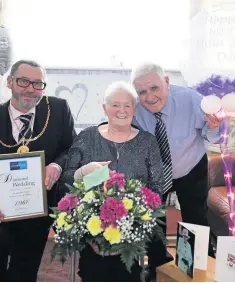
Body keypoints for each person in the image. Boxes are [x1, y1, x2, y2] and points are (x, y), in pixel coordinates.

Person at [0, 59, 76, 282]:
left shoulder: (58, 109)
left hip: (36, 208)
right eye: (23, 81)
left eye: (38, 84)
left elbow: (72, 148)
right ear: (9, 82)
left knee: (25, 270)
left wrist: (56, 165)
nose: (30, 89)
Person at [61, 81, 172, 282]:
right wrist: (87, 172)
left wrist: (133, 216)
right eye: (115, 105)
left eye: (127, 105)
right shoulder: (87, 137)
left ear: (134, 109)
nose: (121, 110)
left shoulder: (147, 142)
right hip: (93, 220)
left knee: (126, 269)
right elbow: (68, 180)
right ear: (105, 108)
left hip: (134, 222)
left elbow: (156, 188)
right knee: (95, 267)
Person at [131, 62, 222, 259]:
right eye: (142, 92)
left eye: (154, 87)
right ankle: (158, 265)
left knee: (195, 219)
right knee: (153, 220)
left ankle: (196, 264)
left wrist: (214, 126)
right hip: (153, 173)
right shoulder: (134, 108)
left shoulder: (191, 99)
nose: (149, 96)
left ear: (166, 81)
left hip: (191, 167)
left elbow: (211, 136)